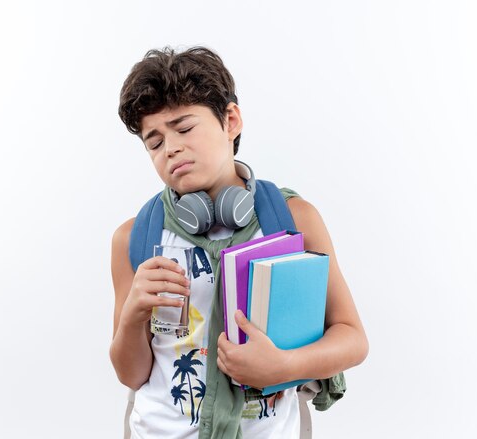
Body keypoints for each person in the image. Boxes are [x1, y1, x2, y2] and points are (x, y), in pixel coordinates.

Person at [110, 46, 368, 439]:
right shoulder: (134, 237)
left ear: (230, 120)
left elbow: (352, 338)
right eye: (155, 141)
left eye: (184, 128)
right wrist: (132, 316)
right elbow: (130, 373)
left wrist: (284, 367)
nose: (171, 148)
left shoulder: (293, 220)